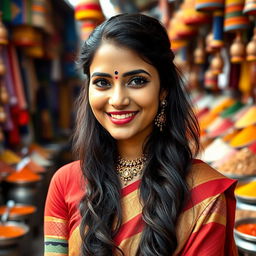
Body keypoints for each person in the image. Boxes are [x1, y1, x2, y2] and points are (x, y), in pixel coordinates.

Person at [44, 13, 238, 256]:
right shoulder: (65, 182)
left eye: (136, 81)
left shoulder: (205, 194)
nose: (118, 100)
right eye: (103, 83)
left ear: (163, 90)